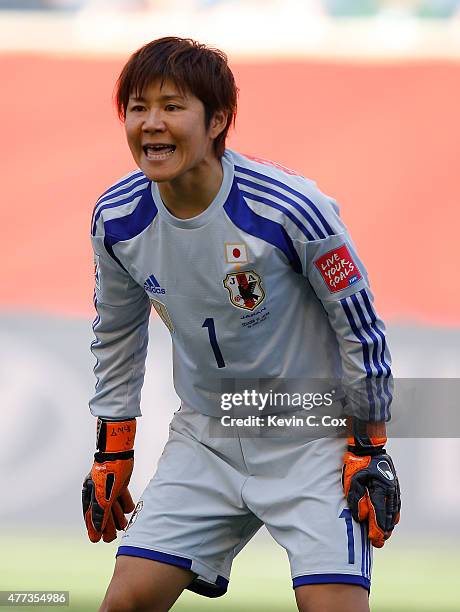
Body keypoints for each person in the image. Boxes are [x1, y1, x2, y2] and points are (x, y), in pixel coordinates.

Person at [82, 36, 400, 612]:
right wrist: (113, 448)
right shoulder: (117, 217)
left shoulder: (292, 207)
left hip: (313, 439)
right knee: (123, 604)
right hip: (208, 437)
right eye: (137, 108)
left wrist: (368, 443)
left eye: (172, 106)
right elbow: (117, 337)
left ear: (218, 120)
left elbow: (362, 328)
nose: (152, 124)